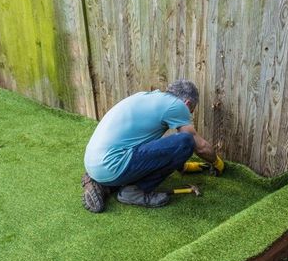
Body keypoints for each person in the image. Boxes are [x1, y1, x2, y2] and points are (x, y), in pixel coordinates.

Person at [82, 79, 224, 213]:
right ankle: (134, 191)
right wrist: (217, 162)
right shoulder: (178, 106)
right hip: (112, 164)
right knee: (186, 142)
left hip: (93, 161)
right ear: (187, 104)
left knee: (173, 142)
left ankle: (103, 184)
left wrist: (183, 166)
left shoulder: (146, 97)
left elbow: (146, 145)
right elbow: (200, 147)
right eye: (191, 111)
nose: (188, 116)